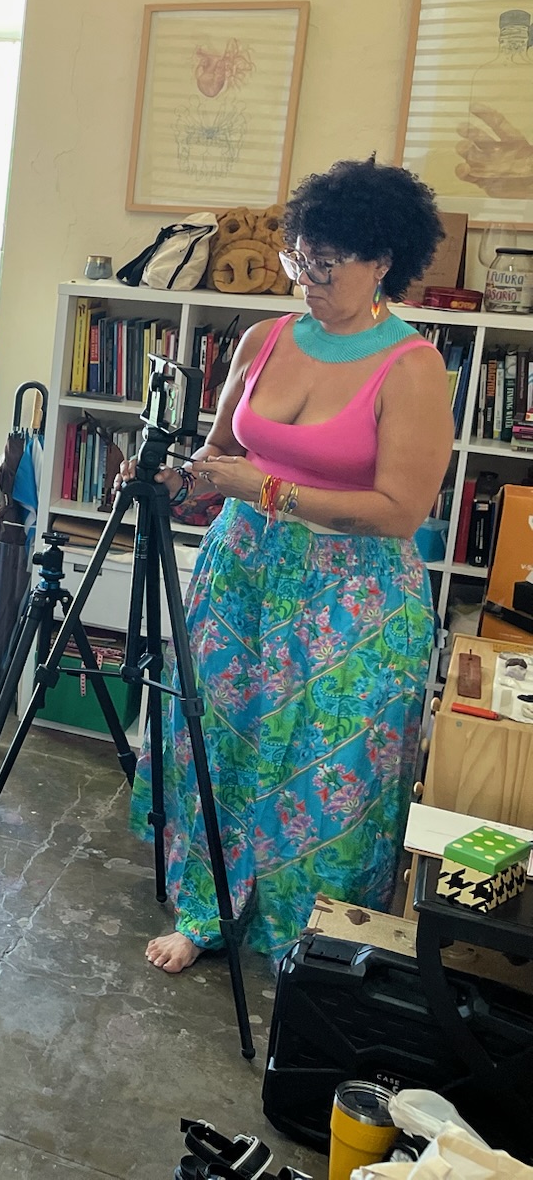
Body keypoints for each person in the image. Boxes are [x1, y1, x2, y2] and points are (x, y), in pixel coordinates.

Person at [131, 159, 452, 974]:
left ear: (382, 261)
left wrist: (270, 491)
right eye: (298, 259)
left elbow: (401, 510)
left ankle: (314, 944)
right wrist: (183, 478)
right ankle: (208, 907)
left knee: (325, 763)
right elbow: (221, 455)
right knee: (224, 741)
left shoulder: (412, 367)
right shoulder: (263, 339)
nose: (306, 279)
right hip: (242, 575)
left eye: (326, 264)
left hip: (353, 599)